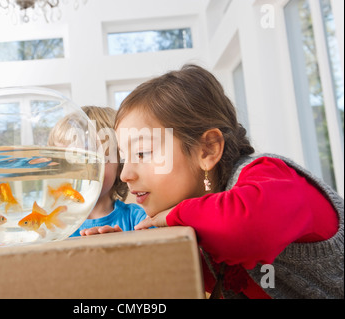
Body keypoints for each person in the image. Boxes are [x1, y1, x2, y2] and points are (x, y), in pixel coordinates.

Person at [110, 64, 343, 299]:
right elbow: (185, 271)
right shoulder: (208, 229)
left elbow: (244, 227)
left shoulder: (272, 178)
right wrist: (120, 252)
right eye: (123, 158)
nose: (125, 174)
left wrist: (171, 217)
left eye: (141, 153)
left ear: (207, 149)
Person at [48, 106, 147, 237]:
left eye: (95, 160)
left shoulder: (138, 219)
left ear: (120, 166)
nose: (81, 169)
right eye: (69, 160)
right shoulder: (54, 224)